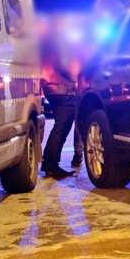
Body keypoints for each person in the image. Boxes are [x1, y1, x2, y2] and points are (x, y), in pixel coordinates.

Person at [39, 16, 79, 179]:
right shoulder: (61, 43)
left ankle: (49, 163)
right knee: (62, 127)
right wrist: (76, 76)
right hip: (62, 89)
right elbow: (68, 67)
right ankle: (50, 165)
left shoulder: (48, 41)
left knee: (59, 126)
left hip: (51, 88)